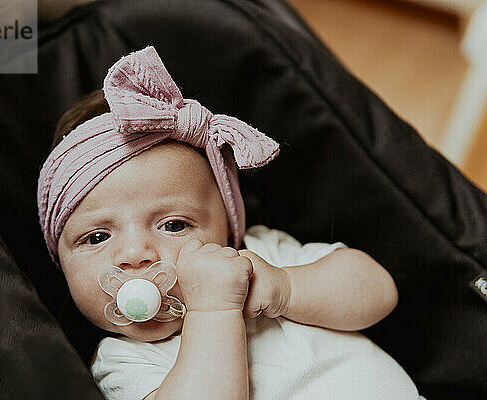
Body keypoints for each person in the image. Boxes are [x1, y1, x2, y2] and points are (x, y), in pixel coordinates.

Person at [37, 46, 422, 399]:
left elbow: (379, 292)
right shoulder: (123, 361)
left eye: (173, 225)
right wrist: (212, 312)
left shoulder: (260, 255)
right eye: (97, 236)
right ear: (61, 262)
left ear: (227, 228)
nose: (136, 255)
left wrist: (287, 287)